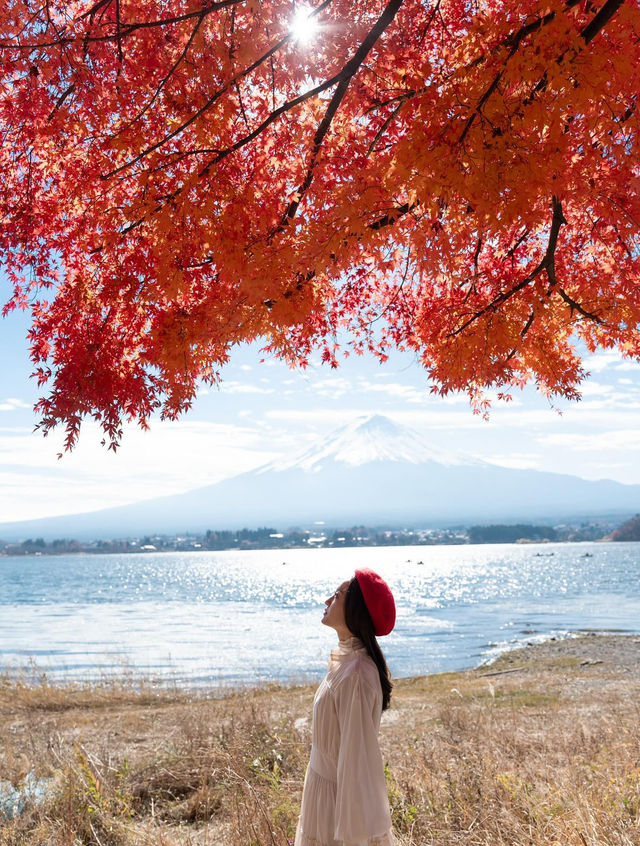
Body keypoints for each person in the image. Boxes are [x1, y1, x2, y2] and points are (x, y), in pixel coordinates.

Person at [294, 568, 396, 846]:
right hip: (322, 793)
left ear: (355, 610)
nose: (327, 600)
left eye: (337, 596)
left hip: (337, 805)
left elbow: (358, 763)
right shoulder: (346, 663)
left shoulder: (357, 674)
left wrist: (351, 835)